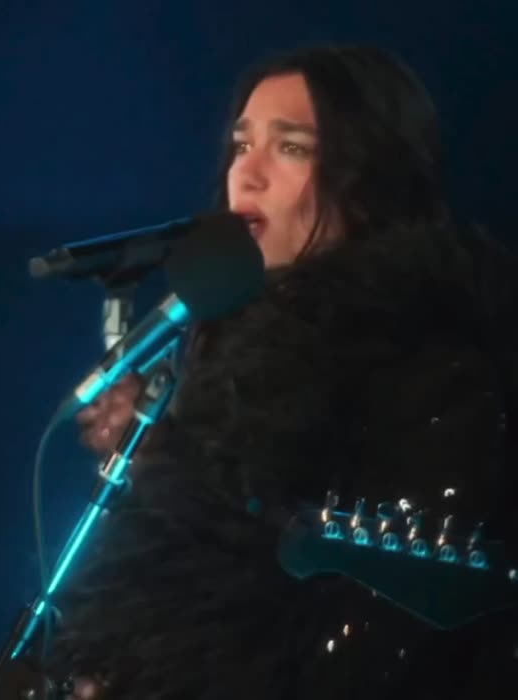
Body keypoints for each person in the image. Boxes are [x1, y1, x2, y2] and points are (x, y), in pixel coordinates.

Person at [49, 44, 518, 699]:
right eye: (241, 145)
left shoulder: (436, 367)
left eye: (291, 147)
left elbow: (378, 638)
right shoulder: (230, 359)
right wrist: (160, 460)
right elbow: (217, 562)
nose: (248, 172)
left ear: (367, 181)